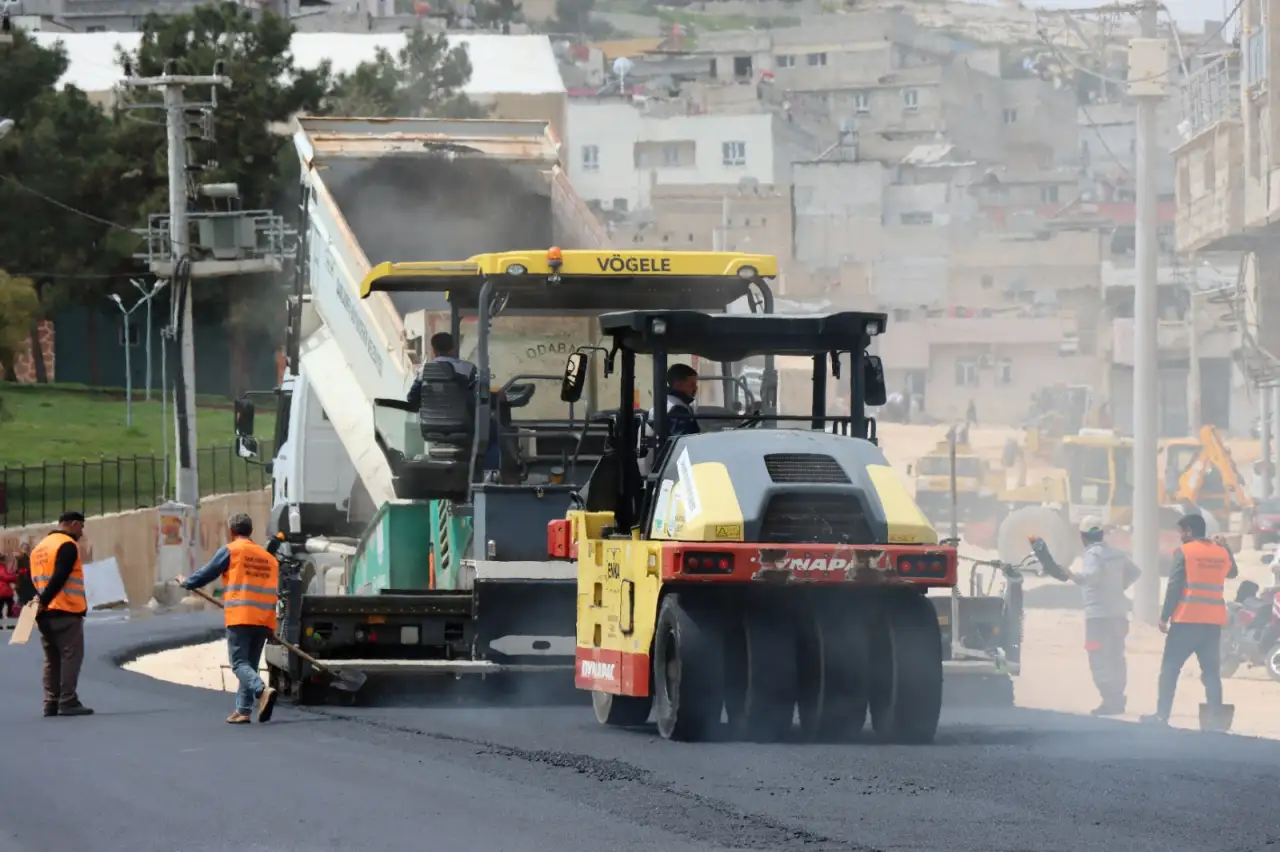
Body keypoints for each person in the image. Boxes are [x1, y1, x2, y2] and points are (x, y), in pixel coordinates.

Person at [178, 514, 280, 725]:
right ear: (250, 531)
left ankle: (261, 691)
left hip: (241, 616)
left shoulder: (232, 550)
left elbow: (210, 571)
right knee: (249, 664)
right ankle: (243, 710)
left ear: (232, 532)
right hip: (264, 619)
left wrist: (188, 582)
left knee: (239, 663)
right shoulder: (269, 558)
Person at [1141, 513, 1236, 727]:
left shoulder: (1185, 552)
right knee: (1211, 673)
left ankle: (1161, 716)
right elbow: (1233, 572)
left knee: (1170, 669)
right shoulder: (1220, 553)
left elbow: (1174, 586)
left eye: (1181, 532)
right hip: (1212, 624)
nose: (1180, 537)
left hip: (1186, 621)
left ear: (1189, 531)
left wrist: (1164, 616)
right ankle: (1215, 720)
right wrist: (1226, 547)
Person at [1056, 517, 1141, 715]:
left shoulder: (1093, 554)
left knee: (1098, 657)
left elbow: (1091, 577)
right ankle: (1118, 698)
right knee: (1116, 656)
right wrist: (1120, 586)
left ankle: (1109, 700)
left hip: (1098, 618)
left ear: (1083, 537)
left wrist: (1072, 575)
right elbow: (1134, 572)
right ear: (1101, 534)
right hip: (1119, 615)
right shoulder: (1116, 553)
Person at [30, 511, 93, 717]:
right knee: (71, 656)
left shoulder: (39, 548)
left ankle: (51, 702)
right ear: (73, 524)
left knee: (52, 658)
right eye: (81, 527)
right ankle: (68, 700)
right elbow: (59, 577)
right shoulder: (66, 545)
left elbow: (33, 581)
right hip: (65, 610)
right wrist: (45, 601)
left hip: (43, 614)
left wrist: (37, 605)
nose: (81, 532)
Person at [648, 363, 700, 439]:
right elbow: (683, 440)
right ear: (678, 385)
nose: (695, 388)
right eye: (692, 384)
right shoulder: (676, 410)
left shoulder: (669, 402)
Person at [13, 540, 35, 606]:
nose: (26, 550)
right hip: (24, 582)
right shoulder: (21, 558)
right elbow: (17, 570)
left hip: (23, 582)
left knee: (24, 600)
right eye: (25, 548)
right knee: (25, 600)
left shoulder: (24, 558)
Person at [0, 553, 16, 619]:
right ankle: (9, 622)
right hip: (3, 591)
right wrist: (15, 577)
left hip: (3, 591)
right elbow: (6, 576)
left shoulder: (3, 567)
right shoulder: (1, 567)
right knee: (10, 605)